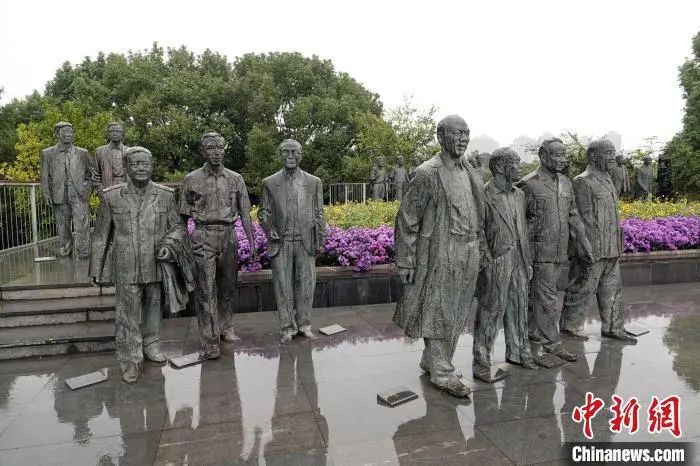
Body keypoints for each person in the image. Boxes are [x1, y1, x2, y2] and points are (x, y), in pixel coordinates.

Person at [393, 115, 486, 397]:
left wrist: (481, 248)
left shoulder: (470, 171)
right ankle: (442, 371)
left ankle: (432, 359)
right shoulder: (427, 173)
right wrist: (406, 259)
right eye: (457, 133)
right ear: (441, 136)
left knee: (458, 310)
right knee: (438, 310)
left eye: (466, 133)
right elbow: (407, 218)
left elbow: (479, 213)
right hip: (440, 252)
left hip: (469, 250)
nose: (463, 139)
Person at [90, 147, 183, 383]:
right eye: (135, 164)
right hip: (126, 265)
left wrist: (169, 245)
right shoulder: (111, 196)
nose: (141, 168)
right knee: (127, 314)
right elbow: (100, 235)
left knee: (154, 307)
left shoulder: (166, 195)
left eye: (145, 163)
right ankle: (130, 358)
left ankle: (151, 345)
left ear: (152, 166)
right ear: (126, 167)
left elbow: (177, 228)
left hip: (155, 263)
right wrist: (96, 268)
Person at [180, 132, 258, 359]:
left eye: (220, 148)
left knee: (228, 286)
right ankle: (209, 340)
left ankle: (226, 326)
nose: (216, 152)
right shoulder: (191, 179)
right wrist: (183, 247)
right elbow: (182, 217)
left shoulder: (236, 178)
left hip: (228, 235)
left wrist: (252, 242)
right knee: (206, 290)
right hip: (203, 235)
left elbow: (245, 213)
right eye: (211, 148)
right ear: (202, 152)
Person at [516, 138, 592, 362]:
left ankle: (531, 331)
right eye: (557, 154)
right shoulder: (528, 184)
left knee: (539, 296)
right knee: (548, 299)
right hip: (539, 252)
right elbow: (519, 222)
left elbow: (573, 216)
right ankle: (552, 344)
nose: (562, 159)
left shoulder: (566, 183)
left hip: (559, 251)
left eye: (564, 154)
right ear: (543, 155)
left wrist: (583, 245)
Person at [560, 139, 637, 343]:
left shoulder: (608, 178)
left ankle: (613, 327)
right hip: (592, 249)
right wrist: (584, 248)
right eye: (608, 153)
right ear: (593, 155)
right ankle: (570, 326)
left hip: (611, 246)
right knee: (583, 287)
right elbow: (579, 219)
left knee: (613, 289)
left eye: (613, 152)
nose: (612, 157)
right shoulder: (582, 181)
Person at [473, 148, 536, 370]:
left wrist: (527, 261)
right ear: (500, 167)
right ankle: (482, 356)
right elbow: (477, 230)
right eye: (516, 163)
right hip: (497, 258)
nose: (520, 167)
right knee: (491, 309)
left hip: (519, 258)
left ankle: (519, 352)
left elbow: (522, 229)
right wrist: (486, 261)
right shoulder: (483, 194)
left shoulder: (519, 195)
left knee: (519, 306)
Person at [259, 139, 326, 343]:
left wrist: (320, 240)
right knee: (283, 287)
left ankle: (304, 324)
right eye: (286, 152)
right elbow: (263, 212)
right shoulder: (269, 182)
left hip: (306, 242)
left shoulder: (314, 182)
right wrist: (269, 229)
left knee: (306, 286)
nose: (290, 156)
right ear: (280, 155)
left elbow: (319, 213)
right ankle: (287, 327)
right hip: (281, 242)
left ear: (301, 155)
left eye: (294, 152)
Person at [40, 121, 92, 258]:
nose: (69, 134)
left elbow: (90, 174)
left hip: (79, 193)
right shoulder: (47, 153)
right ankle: (66, 249)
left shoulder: (82, 153)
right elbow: (44, 176)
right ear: (57, 134)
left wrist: (86, 190)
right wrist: (46, 194)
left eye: (70, 132)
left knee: (82, 224)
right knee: (62, 225)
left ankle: (83, 251)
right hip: (59, 193)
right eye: (65, 132)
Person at [93, 122, 130, 191]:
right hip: (107, 188)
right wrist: (100, 189)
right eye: (112, 131)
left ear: (122, 133)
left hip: (126, 188)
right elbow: (95, 173)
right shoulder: (100, 151)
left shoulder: (129, 151)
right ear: (108, 133)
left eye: (118, 131)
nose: (115, 134)